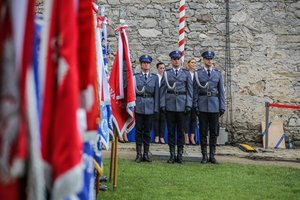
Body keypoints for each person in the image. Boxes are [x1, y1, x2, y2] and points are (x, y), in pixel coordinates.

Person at [160, 50, 193, 164]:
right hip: (169, 106)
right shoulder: (166, 73)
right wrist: (163, 104)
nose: (176, 61)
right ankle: (172, 154)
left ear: (181, 60)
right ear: (171, 61)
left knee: (181, 131)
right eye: (174, 59)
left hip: (182, 106)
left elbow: (190, 91)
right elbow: (162, 90)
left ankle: (180, 155)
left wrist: (189, 104)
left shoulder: (186, 73)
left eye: (178, 59)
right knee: (170, 131)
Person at [193, 51, 225, 164]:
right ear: (203, 60)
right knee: (203, 132)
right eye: (207, 59)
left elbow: (221, 91)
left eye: (211, 59)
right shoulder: (198, 73)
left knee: (214, 132)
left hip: (215, 105)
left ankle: (212, 155)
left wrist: (222, 106)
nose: (209, 61)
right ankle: (204, 156)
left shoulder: (217, 74)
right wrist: (195, 105)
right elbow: (195, 90)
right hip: (202, 105)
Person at [134, 55, 159, 163]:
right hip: (139, 105)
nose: (146, 65)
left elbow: (157, 94)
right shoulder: (136, 77)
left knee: (148, 131)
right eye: (144, 63)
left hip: (150, 106)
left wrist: (156, 108)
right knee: (139, 131)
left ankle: (146, 154)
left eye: (148, 63)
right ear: (140, 64)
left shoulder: (154, 77)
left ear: (150, 65)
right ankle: (139, 154)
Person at [184, 58, 197, 145]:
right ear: (188, 64)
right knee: (186, 119)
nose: (193, 64)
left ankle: (192, 137)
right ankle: (186, 137)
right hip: (186, 99)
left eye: (194, 63)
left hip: (195, 99)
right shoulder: (185, 73)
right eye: (192, 62)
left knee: (194, 118)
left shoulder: (197, 74)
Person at [153, 62, 166, 144]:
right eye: (160, 68)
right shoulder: (155, 77)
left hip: (164, 101)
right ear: (157, 69)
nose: (162, 70)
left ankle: (162, 136)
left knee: (163, 119)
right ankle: (156, 136)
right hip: (156, 100)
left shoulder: (166, 77)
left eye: (163, 68)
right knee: (156, 119)